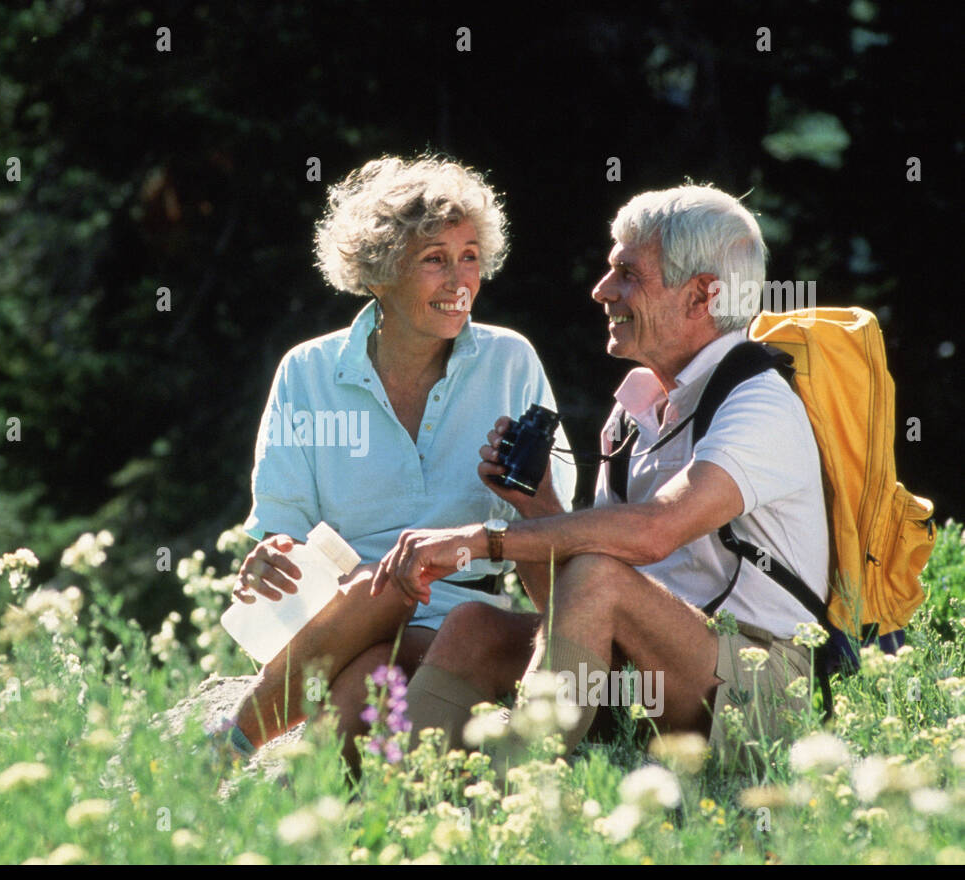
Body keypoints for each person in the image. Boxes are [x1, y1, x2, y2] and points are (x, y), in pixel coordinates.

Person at [371, 184, 828, 763]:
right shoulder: (634, 411)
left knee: (599, 575)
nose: (601, 290)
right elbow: (573, 601)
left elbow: (652, 533)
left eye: (628, 274)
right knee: (472, 626)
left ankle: (519, 796)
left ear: (701, 296)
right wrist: (535, 507)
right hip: (648, 674)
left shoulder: (758, 404)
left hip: (761, 689)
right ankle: (400, 804)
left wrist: (482, 540)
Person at [218, 155, 575, 766]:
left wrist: (525, 494)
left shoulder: (510, 360)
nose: (459, 279)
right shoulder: (306, 372)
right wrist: (268, 559)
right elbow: (281, 528)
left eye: (470, 256)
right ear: (377, 271)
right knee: (373, 596)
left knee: (363, 677)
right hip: (338, 621)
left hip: (466, 623)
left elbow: (555, 525)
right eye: (435, 258)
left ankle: (228, 749)